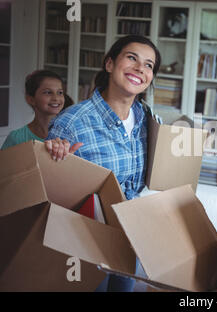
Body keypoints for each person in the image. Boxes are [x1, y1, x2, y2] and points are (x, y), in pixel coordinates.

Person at [45, 35, 161, 291]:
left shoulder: (149, 121)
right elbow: (49, 191)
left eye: (149, 65)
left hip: (131, 235)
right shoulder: (72, 122)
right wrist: (54, 154)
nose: (140, 68)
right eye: (132, 58)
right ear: (109, 64)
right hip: (86, 240)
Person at [1, 70, 67, 150]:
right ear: (31, 99)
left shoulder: (70, 135)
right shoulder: (16, 138)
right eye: (48, 92)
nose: (56, 98)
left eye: (60, 92)